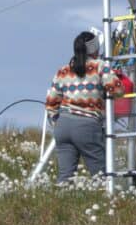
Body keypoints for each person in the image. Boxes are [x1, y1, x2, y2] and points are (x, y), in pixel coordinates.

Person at [46, 31, 124, 183]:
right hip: (87, 125)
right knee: (100, 175)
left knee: (65, 176)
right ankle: (107, 203)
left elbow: (51, 103)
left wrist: (57, 122)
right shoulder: (99, 66)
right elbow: (118, 90)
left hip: (63, 126)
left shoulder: (63, 71)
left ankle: (62, 204)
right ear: (94, 48)